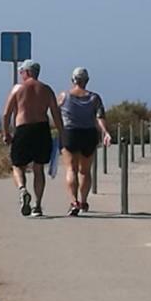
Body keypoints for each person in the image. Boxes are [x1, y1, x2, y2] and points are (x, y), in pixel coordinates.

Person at [1, 60, 64, 217]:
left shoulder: (18, 88)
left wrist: (6, 133)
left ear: (27, 72)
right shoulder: (46, 89)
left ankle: (22, 189)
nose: (21, 74)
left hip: (23, 128)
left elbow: (6, 114)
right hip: (42, 130)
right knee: (38, 168)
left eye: (21, 71)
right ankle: (38, 205)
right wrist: (62, 132)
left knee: (17, 165)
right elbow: (55, 113)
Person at [58, 67, 112, 215]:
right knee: (85, 171)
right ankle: (83, 201)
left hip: (70, 134)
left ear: (72, 79)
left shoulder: (64, 96)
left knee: (71, 169)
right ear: (87, 80)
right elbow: (100, 117)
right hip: (89, 134)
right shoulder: (95, 98)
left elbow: (55, 114)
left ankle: (74, 201)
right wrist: (105, 132)